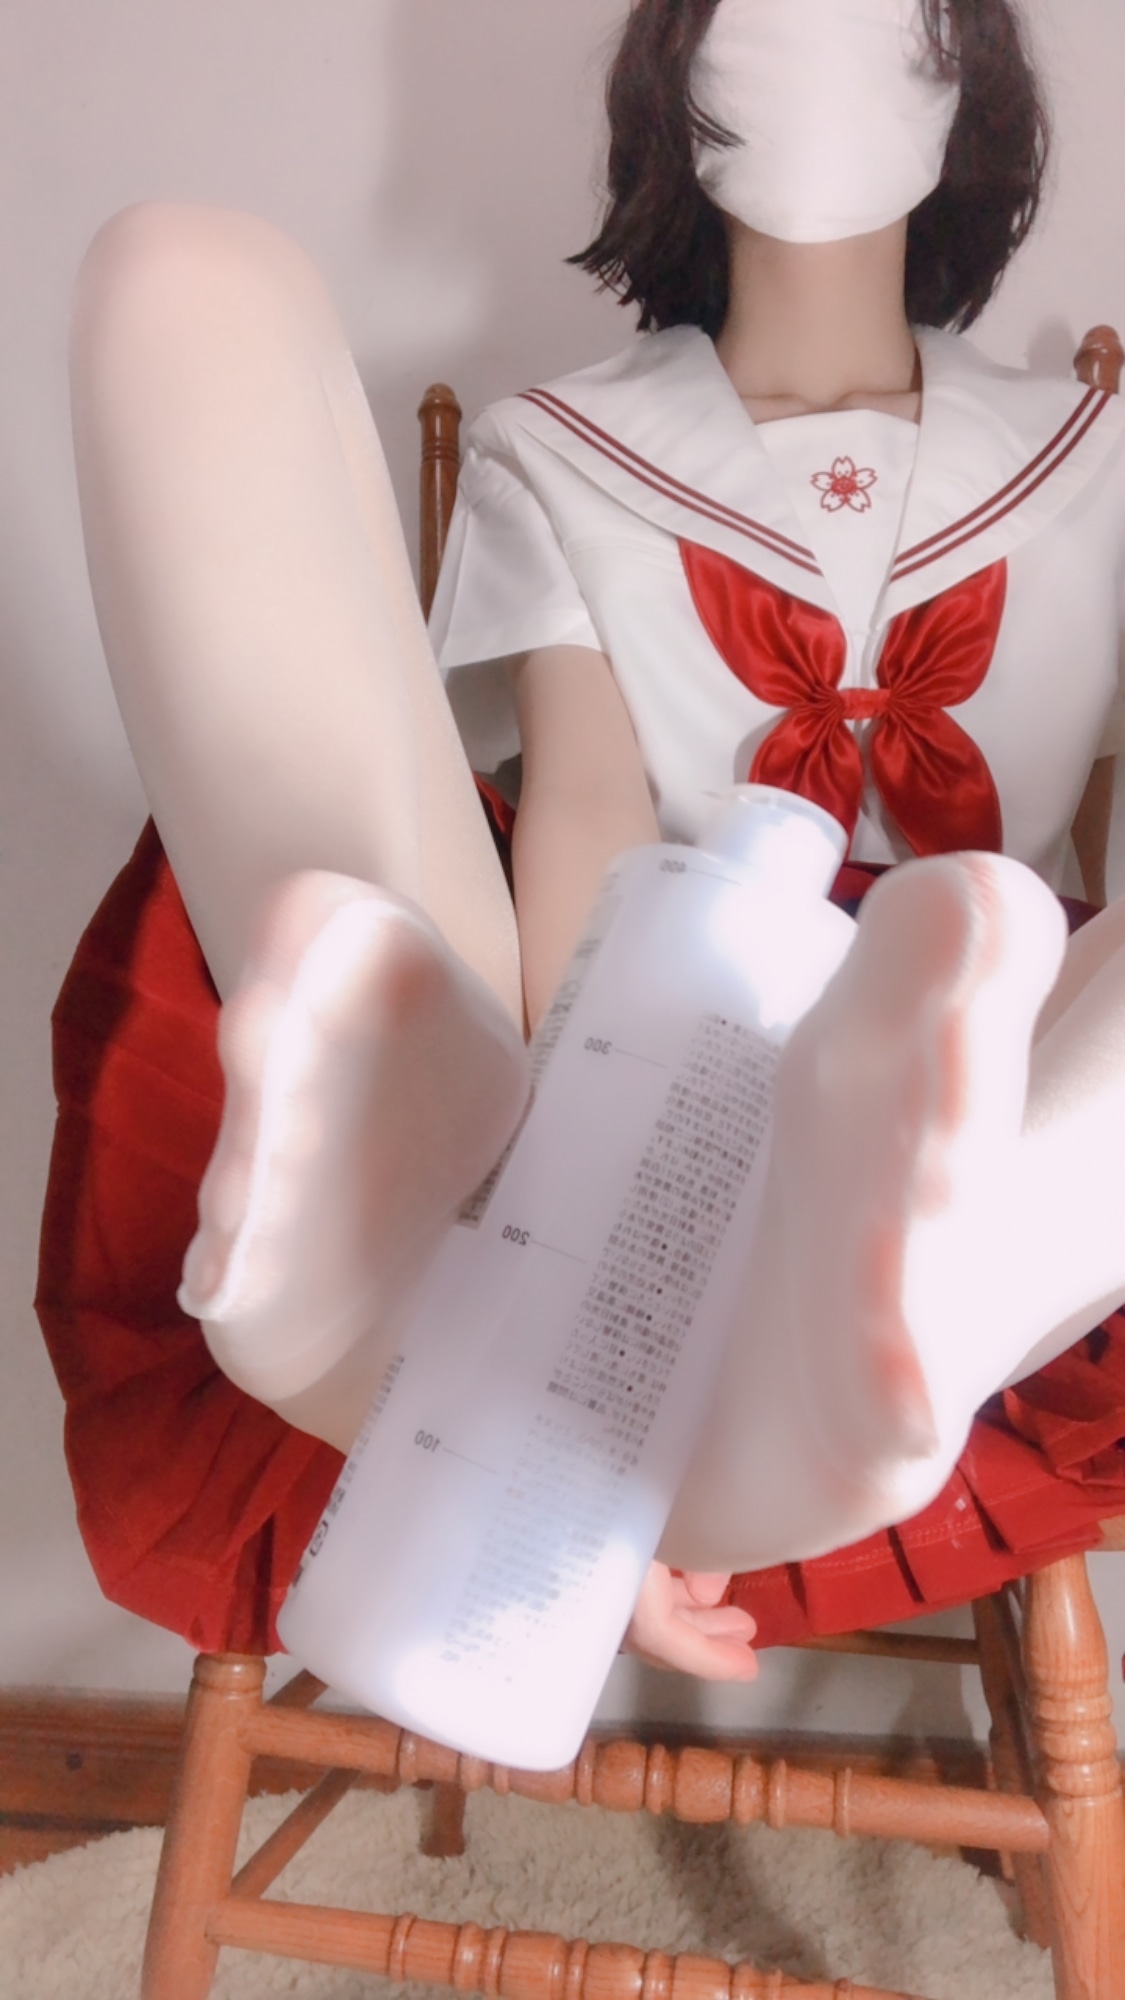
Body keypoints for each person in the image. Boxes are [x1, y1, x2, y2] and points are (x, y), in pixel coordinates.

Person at [38, 0, 1125, 1685]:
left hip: (981, 1065)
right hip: (629, 1034)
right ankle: (500, 1328)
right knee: (183, 291)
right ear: (673, 83)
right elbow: (589, 832)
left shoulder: (1090, 458)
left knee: (994, 1040)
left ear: (963, 76)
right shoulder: (563, 453)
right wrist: (591, 1195)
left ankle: (717, 1397)